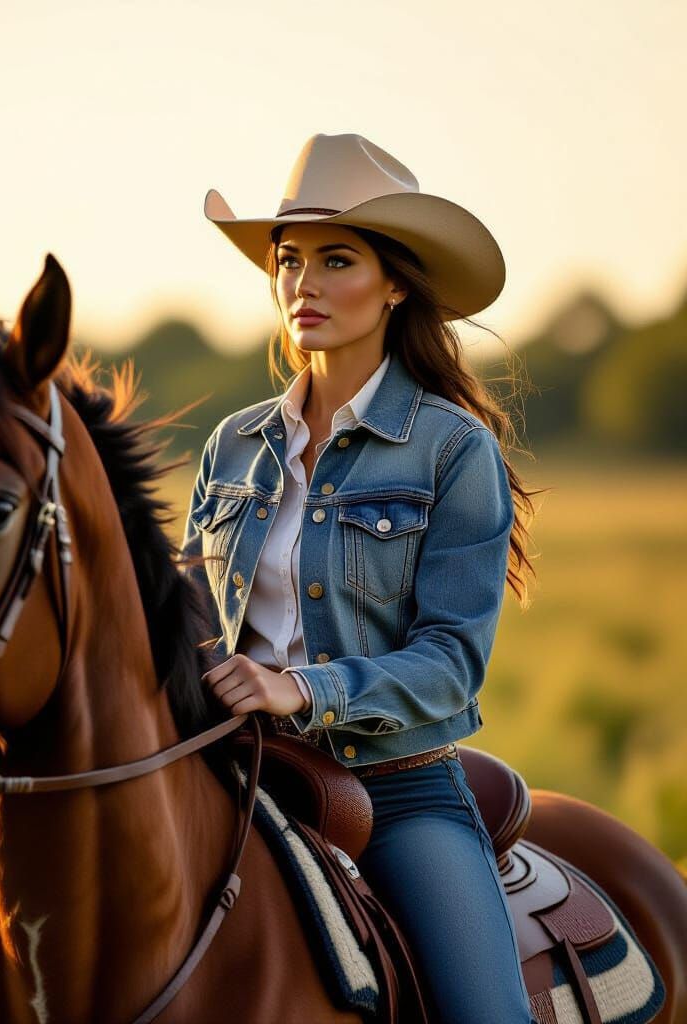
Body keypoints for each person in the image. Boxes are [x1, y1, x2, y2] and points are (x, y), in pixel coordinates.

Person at [181, 132, 538, 1022]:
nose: (303, 283)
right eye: (288, 260)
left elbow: (453, 661)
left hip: (393, 790)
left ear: (395, 284)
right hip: (221, 776)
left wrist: (296, 687)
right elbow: (181, 618)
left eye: (335, 260)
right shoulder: (235, 444)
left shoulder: (454, 449)